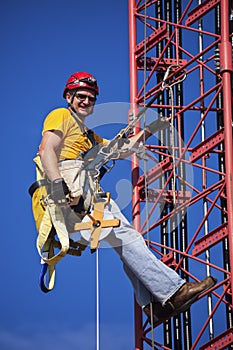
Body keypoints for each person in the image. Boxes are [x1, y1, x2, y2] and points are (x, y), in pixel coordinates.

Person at [31, 71, 216, 322]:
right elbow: (47, 149)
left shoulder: (87, 136)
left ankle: (153, 305)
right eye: (81, 96)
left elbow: (121, 149)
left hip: (82, 188)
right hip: (70, 185)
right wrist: (58, 187)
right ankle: (173, 291)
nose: (86, 101)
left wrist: (151, 128)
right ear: (68, 96)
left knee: (126, 240)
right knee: (127, 236)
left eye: (91, 98)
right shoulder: (61, 115)